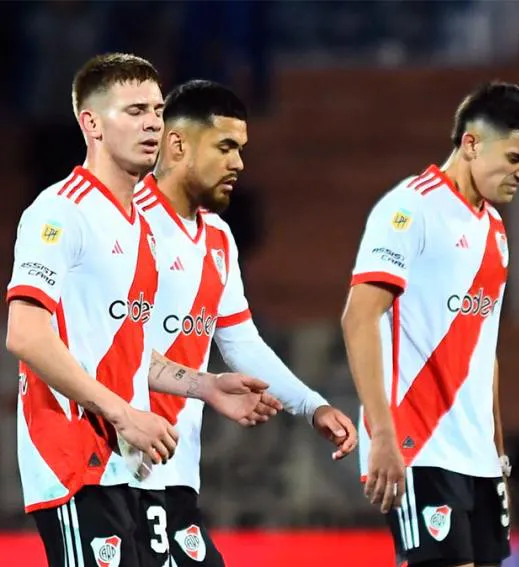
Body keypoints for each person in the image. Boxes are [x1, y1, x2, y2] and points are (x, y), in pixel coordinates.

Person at [5, 53, 279, 567]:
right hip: (74, 459)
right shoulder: (59, 211)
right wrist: (124, 413)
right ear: (92, 124)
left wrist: (205, 385)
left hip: (128, 463)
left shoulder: (142, 226)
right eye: (134, 111)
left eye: (156, 110)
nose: (153, 123)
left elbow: (127, 353)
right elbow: (26, 335)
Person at [130, 79, 359, 567]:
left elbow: (240, 342)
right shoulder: (126, 225)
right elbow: (102, 346)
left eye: (241, 149)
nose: (238, 163)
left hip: (177, 471)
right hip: (117, 467)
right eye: (225, 147)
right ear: (177, 144)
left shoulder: (217, 237)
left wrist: (311, 405)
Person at [341, 81, 519, 567]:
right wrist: (383, 435)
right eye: (515, 158)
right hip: (418, 446)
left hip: (476, 458)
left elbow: (484, 351)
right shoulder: (409, 209)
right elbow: (359, 317)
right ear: (471, 143)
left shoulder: (494, 231)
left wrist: (497, 454)